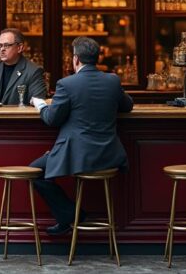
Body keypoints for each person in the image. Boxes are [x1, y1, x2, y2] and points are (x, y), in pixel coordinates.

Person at [29, 36, 134, 235]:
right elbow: (127, 106)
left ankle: (70, 216)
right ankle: (69, 216)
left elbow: (52, 119)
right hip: (108, 155)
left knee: (35, 171)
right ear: (97, 57)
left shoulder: (66, 84)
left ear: (75, 59)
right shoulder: (112, 80)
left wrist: (41, 105)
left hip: (77, 155)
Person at [0, 28, 46, 104]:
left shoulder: (34, 71)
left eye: (6, 45)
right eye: (0, 45)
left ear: (19, 48)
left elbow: (38, 103)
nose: (2, 49)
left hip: (19, 115)